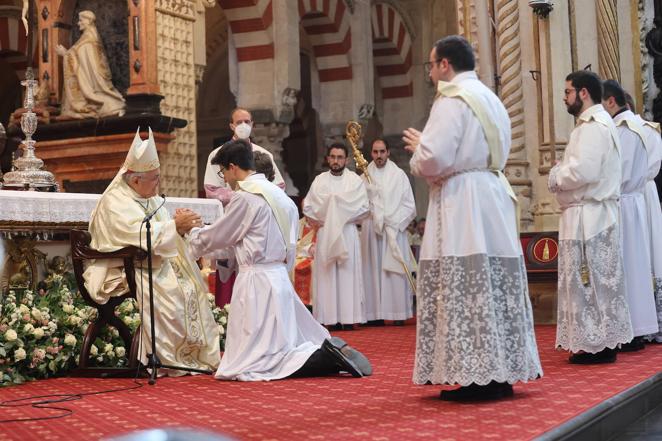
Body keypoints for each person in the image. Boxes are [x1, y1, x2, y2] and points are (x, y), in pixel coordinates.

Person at [402, 35, 542, 401]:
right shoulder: (490, 98)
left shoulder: (452, 99)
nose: (431, 74)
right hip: (491, 195)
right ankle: (500, 373)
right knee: (491, 285)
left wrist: (419, 151)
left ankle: (476, 377)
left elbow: (436, 158)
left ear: (445, 64)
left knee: (466, 284)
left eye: (432, 66)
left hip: (462, 201)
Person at [185, 139, 371, 380]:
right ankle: (323, 355)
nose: (224, 179)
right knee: (275, 347)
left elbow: (221, 235)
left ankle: (323, 358)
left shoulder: (245, 197)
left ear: (233, 167)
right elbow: (256, 242)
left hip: (256, 282)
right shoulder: (281, 197)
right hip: (279, 278)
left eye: (223, 172)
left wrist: (190, 234)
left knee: (255, 361)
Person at [84, 128, 220, 375]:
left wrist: (180, 227)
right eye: (155, 178)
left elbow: (162, 232)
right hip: (122, 267)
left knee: (192, 285)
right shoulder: (114, 201)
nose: (159, 183)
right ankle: (172, 358)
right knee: (171, 291)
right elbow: (131, 234)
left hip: (152, 262)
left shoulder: (154, 199)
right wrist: (172, 228)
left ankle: (193, 355)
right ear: (135, 180)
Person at [548, 71, 633, 363]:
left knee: (592, 281)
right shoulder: (590, 125)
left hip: (591, 217)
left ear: (583, 93)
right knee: (590, 281)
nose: (564, 97)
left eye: (567, 91)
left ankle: (601, 345)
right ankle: (593, 341)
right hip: (586, 213)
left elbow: (582, 171)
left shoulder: (594, 126)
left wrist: (555, 176)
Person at [602, 80, 659, 350]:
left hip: (628, 198)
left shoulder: (625, 130)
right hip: (635, 197)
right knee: (640, 260)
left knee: (634, 262)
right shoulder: (638, 127)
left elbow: (618, 171)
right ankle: (641, 323)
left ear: (611, 101)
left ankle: (635, 326)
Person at [302, 143, 370, 330]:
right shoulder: (319, 181)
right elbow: (308, 207)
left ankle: (349, 318)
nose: (336, 161)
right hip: (325, 232)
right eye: (333, 157)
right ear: (328, 159)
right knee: (327, 273)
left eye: (340, 157)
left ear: (346, 160)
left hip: (347, 231)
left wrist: (339, 213)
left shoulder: (355, 181)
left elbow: (364, 207)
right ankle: (328, 318)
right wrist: (327, 215)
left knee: (347, 273)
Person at [360, 138, 416, 325]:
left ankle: (397, 313)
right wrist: (373, 210)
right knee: (373, 270)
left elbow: (409, 205)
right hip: (372, 230)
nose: (379, 156)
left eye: (382, 152)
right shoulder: (364, 177)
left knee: (394, 272)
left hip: (394, 229)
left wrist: (393, 221)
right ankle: (374, 314)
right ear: (371, 154)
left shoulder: (399, 176)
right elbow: (360, 204)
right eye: (375, 152)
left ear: (388, 152)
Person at [625, 92, 662, 343]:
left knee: (649, 250)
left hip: (642, 193)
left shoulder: (647, 130)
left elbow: (651, 165)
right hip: (632, 195)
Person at [203, 108, 284, 205]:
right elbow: (212, 190)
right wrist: (243, 198)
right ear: (232, 126)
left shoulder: (264, 153)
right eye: (239, 122)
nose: (243, 125)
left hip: (260, 209)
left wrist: (254, 198)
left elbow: (279, 186)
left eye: (247, 122)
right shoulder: (217, 154)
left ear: (252, 124)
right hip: (230, 210)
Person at [56, 10, 125, 119]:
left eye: (80, 20)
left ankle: (97, 102)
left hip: (94, 83)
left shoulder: (87, 40)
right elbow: (79, 55)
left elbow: (80, 57)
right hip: (96, 80)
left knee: (101, 101)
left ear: (88, 21)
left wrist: (65, 54)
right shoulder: (91, 37)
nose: (78, 23)